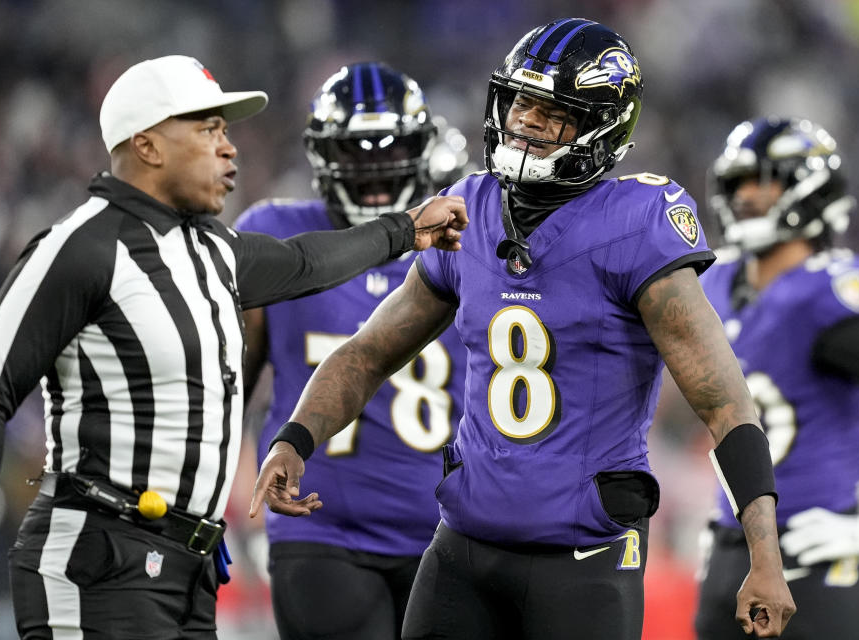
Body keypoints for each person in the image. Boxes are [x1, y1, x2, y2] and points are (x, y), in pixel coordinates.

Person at [251, 19, 795, 640]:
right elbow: (368, 352)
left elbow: (726, 404)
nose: (527, 122)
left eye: (553, 112)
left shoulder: (637, 223)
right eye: (521, 102)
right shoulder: (469, 210)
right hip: (463, 548)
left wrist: (765, 556)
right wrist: (295, 439)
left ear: (602, 125)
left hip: (582, 558)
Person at [0, 54, 466, 639]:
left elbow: (309, 261)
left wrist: (407, 228)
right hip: (100, 551)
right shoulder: (78, 249)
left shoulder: (213, 251)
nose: (229, 148)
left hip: (187, 561)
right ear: (149, 146)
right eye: (209, 130)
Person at [234, 61, 468, 640]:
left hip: (450, 532)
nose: (377, 170)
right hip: (321, 529)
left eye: (391, 148)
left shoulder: (467, 239)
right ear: (322, 154)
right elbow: (225, 385)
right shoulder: (279, 235)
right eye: (357, 153)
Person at [693, 116, 859, 639]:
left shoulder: (823, 293)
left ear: (811, 187)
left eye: (766, 180)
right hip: (728, 548)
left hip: (810, 553)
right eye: (739, 182)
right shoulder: (715, 281)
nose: (747, 195)